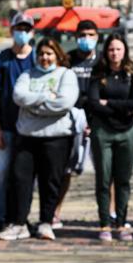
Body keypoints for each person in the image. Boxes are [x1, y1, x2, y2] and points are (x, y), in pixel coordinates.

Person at [0, 38, 78, 241]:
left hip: (56, 138)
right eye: (41, 54)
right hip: (27, 137)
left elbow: (65, 102)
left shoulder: (66, 75)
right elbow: (19, 96)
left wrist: (32, 105)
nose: (45, 57)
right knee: (21, 181)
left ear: (57, 55)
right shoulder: (27, 74)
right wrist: (46, 96)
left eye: (49, 53)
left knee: (50, 182)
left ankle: (45, 222)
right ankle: (19, 223)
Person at [87, 33, 133, 241]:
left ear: (125, 50)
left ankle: (121, 222)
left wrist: (107, 103)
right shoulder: (98, 72)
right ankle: (105, 223)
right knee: (103, 178)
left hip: (127, 131)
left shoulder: (132, 73)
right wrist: (120, 107)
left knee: (123, 180)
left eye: (118, 49)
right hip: (103, 132)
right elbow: (92, 102)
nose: (115, 53)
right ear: (106, 51)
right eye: (111, 49)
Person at [0, 13, 35, 235]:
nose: (22, 33)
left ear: (32, 32)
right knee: (2, 173)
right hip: (6, 126)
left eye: (27, 29)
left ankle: (23, 218)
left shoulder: (38, 58)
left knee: (26, 176)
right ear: (12, 30)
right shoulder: (2, 60)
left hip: (31, 129)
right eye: (19, 28)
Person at [54, 19, 99, 229]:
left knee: (106, 171)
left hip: (98, 121)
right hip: (70, 121)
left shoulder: (102, 61)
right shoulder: (67, 59)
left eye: (91, 35)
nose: (86, 40)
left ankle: (110, 213)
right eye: (82, 36)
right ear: (75, 37)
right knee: (65, 170)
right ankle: (55, 213)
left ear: (97, 37)